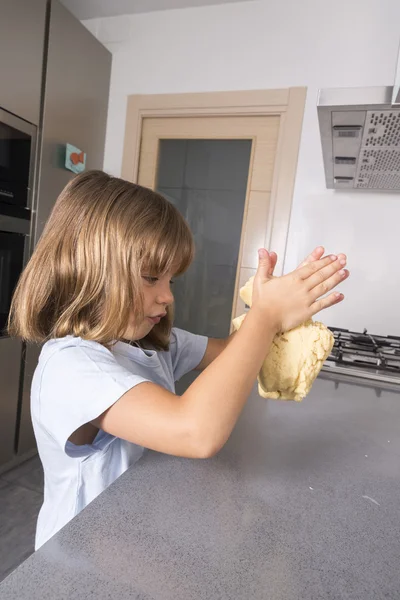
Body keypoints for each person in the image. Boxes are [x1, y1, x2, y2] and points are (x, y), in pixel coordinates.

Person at [8, 170, 349, 549]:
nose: (167, 296)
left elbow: (237, 357)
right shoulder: (69, 367)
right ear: (90, 271)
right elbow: (195, 432)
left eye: (172, 280)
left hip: (136, 537)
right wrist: (265, 317)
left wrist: (275, 314)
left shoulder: (153, 344)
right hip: (81, 555)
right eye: (152, 277)